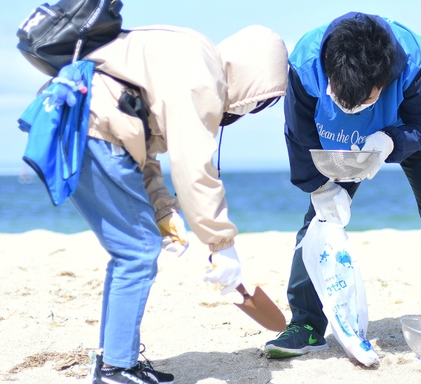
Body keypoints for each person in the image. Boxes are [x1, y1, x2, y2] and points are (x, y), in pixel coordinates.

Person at [51, 25, 288, 383]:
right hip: (93, 131)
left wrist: (163, 210)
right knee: (137, 251)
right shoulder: (203, 74)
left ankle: (113, 359)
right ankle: (118, 368)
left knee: (133, 248)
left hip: (74, 122)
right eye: (258, 101)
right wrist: (221, 245)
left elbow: (141, 150)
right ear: (252, 78)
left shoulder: (186, 59)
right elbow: (194, 165)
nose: (250, 109)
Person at [264, 12, 421, 359]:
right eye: (341, 97)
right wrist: (319, 187)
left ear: (385, 79)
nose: (354, 109)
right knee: (321, 219)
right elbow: (299, 135)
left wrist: (392, 142)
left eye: (363, 101)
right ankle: (305, 323)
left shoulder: (415, 65)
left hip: (408, 127)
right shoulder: (304, 66)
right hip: (338, 140)